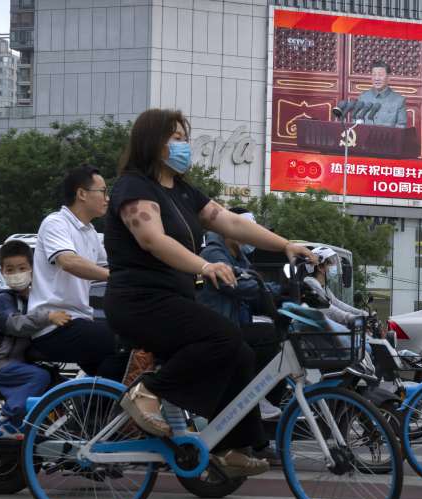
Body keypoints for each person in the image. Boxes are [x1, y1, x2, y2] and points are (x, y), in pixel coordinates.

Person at [104, 108, 316, 478]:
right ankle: (147, 392)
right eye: (176, 137)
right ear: (152, 142)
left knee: (240, 352)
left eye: (185, 137)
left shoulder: (182, 190)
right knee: (222, 337)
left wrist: (284, 244)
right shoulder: (133, 187)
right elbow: (152, 239)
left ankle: (229, 445)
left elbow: (229, 220)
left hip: (173, 300)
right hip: (140, 301)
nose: (185, 145)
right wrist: (204, 266)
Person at [29, 165, 126, 381]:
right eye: (103, 192)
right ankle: (93, 411)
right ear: (82, 194)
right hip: (54, 326)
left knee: (120, 367)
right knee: (126, 344)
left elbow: (116, 264)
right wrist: (115, 277)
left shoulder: (90, 232)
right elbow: (68, 261)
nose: (107, 198)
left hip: (79, 321)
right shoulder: (56, 223)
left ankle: (93, 410)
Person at [197, 207, 284, 423]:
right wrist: (273, 290)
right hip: (217, 328)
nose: (250, 237)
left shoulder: (239, 256)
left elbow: (254, 283)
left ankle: (258, 439)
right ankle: (254, 395)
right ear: (230, 230)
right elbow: (239, 285)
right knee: (267, 335)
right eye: (247, 231)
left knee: (279, 363)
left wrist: (285, 291)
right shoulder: (214, 253)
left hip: (234, 324)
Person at [0, 240, 71, 439]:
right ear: (2, 271)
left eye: (22, 268)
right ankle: (8, 419)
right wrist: (47, 317)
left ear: (32, 269)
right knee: (39, 377)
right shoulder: (3, 299)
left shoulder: (35, 297)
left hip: (21, 363)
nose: (17, 273)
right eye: (10, 269)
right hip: (1, 363)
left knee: (62, 383)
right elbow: (15, 324)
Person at [303, 246, 368, 327]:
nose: (334, 266)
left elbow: (337, 303)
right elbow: (328, 309)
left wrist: (360, 312)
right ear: (320, 267)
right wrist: (351, 318)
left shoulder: (324, 287)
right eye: (330, 263)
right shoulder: (311, 283)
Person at [356, 60, 407, 128]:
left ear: (388, 78)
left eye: (380, 75)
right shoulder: (363, 97)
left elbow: (401, 127)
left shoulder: (399, 100)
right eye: (374, 75)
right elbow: (356, 122)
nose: (377, 78)